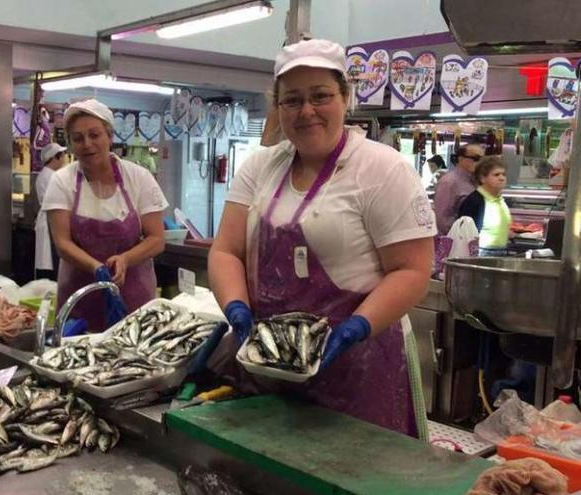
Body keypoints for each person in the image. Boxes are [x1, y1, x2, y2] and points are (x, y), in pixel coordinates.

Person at [208, 39, 435, 437]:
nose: (306, 111)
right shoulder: (260, 167)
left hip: (358, 368)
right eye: (292, 100)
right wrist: (237, 309)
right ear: (277, 107)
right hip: (270, 361)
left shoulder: (382, 169)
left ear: (345, 98)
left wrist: (355, 329)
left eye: (321, 96)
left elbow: (413, 271)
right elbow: (227, 250)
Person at [42, 99, 168, 332]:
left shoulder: (139, 178)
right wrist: (97, 268)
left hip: (133, 300)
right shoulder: (62, 181)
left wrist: (125, 259)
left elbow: (156, 239)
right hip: (80, 299)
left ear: (110, 136)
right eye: (78, 138)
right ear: (70, 144)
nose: (87, 144)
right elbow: (62, 243)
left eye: (95, 135)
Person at [457, 156, 511, 256]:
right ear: (482, 178)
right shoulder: (474, 201)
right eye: (496, 175)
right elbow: (465, 234)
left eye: (504, 174)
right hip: (481, 253)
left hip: (501, 251)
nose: (502, 178)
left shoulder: (501, 200)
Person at [434, 144, 483, 235]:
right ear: (460, 159)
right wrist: (458, 237)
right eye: (475, 158)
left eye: (482, 159)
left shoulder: (475, 180)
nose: (480, 163)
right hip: (455, 242)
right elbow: (442, 220)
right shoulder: (449, 182)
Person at [34, 142, 66, 279]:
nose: (64, 159)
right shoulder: (52, 176)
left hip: (47, 219)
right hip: (49, 219)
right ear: (55, 158)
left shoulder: (45, 174)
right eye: (62, 156)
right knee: (48, 259)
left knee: (45, 259)